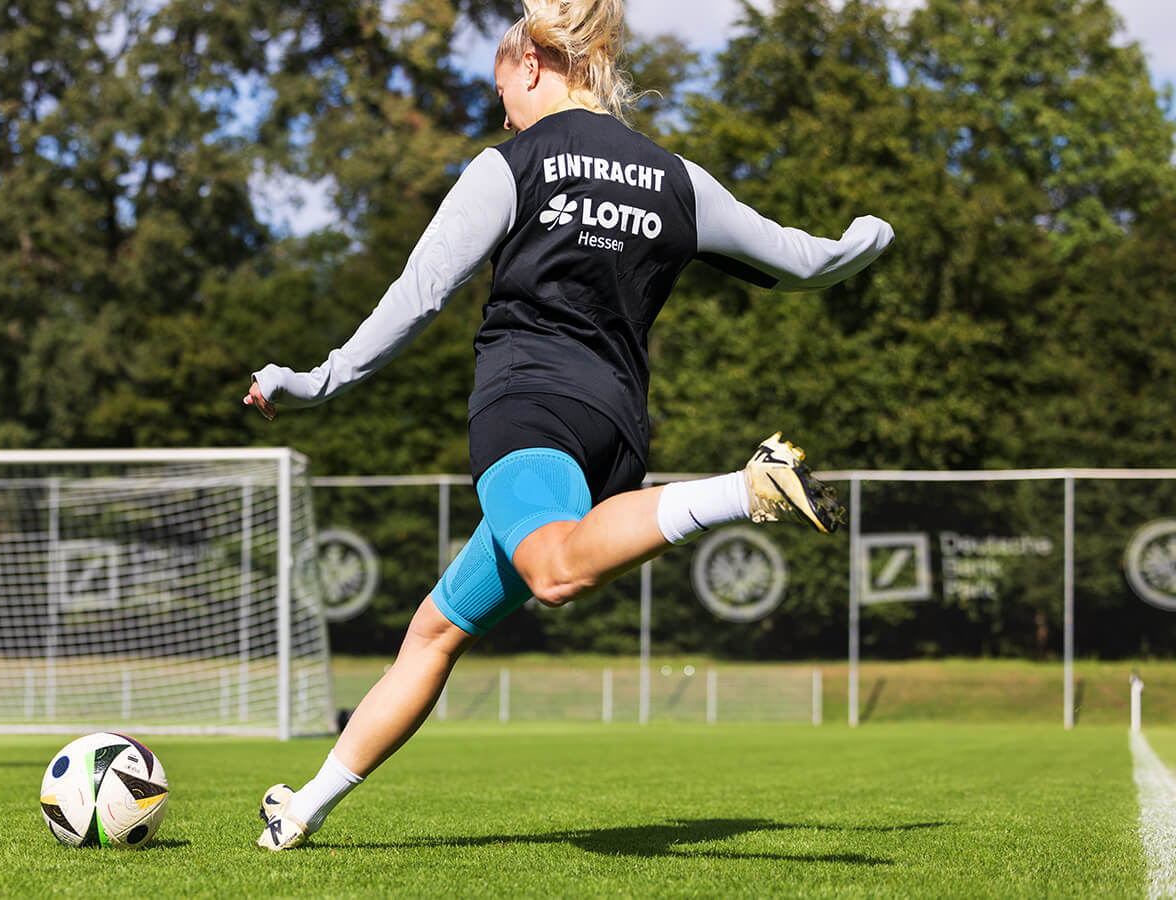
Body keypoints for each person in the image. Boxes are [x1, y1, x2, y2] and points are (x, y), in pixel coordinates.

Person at [243, 0, 893, 851]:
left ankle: (745, 488)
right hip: (613, 433)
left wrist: (317, 381)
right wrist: (867, 238)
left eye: (501, 85)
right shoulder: (676, 177)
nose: (500, 106)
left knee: (551, 571)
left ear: (535, 66)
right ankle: (306, 807)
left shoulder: (509, 165)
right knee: (436, 629)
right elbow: (802, 261)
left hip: (524, 406)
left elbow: (420, 295)